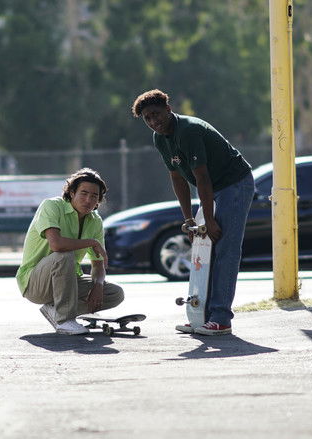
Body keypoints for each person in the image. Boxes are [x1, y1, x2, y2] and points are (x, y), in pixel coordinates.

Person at [132, 89, 254, 336]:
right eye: (147, 118)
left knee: (225, 249)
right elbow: (177, 178)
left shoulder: (188, 131)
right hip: (212, 189)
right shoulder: (160, 139)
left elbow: (202, 178)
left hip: (234, 184)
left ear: (168, 109)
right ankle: (200, 317)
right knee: (204, 250)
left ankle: (220, 318)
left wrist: (208, 220)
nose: (153, 121)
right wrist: (188, 219)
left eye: (156, 114)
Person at [16, 168, 124, 335]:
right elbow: (57, 245)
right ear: (72, 193)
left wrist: (98, 285)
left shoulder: (95, 221)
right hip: (35, 283)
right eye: (84, 193)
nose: (88, 199)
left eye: (94, 196)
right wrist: (91, 242)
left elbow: (98, 265)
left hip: (68, 281)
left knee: (115, 293)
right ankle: (64, 320)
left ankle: (55, 310)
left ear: (98, 201)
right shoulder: (51, 206)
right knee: (63, 255)